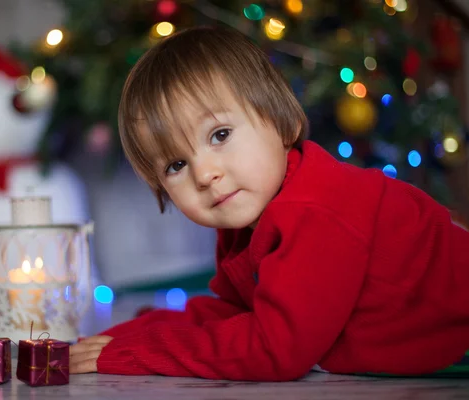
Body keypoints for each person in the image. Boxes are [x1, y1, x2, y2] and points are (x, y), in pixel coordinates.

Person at [69, 25, 469, 381]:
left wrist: (139, 352)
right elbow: (238, 316)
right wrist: (116, 338)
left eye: (220, 135)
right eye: (176, 164)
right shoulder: (248, 221)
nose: (205, 174)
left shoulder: (315, 209)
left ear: (284, 124)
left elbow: (275, 350)